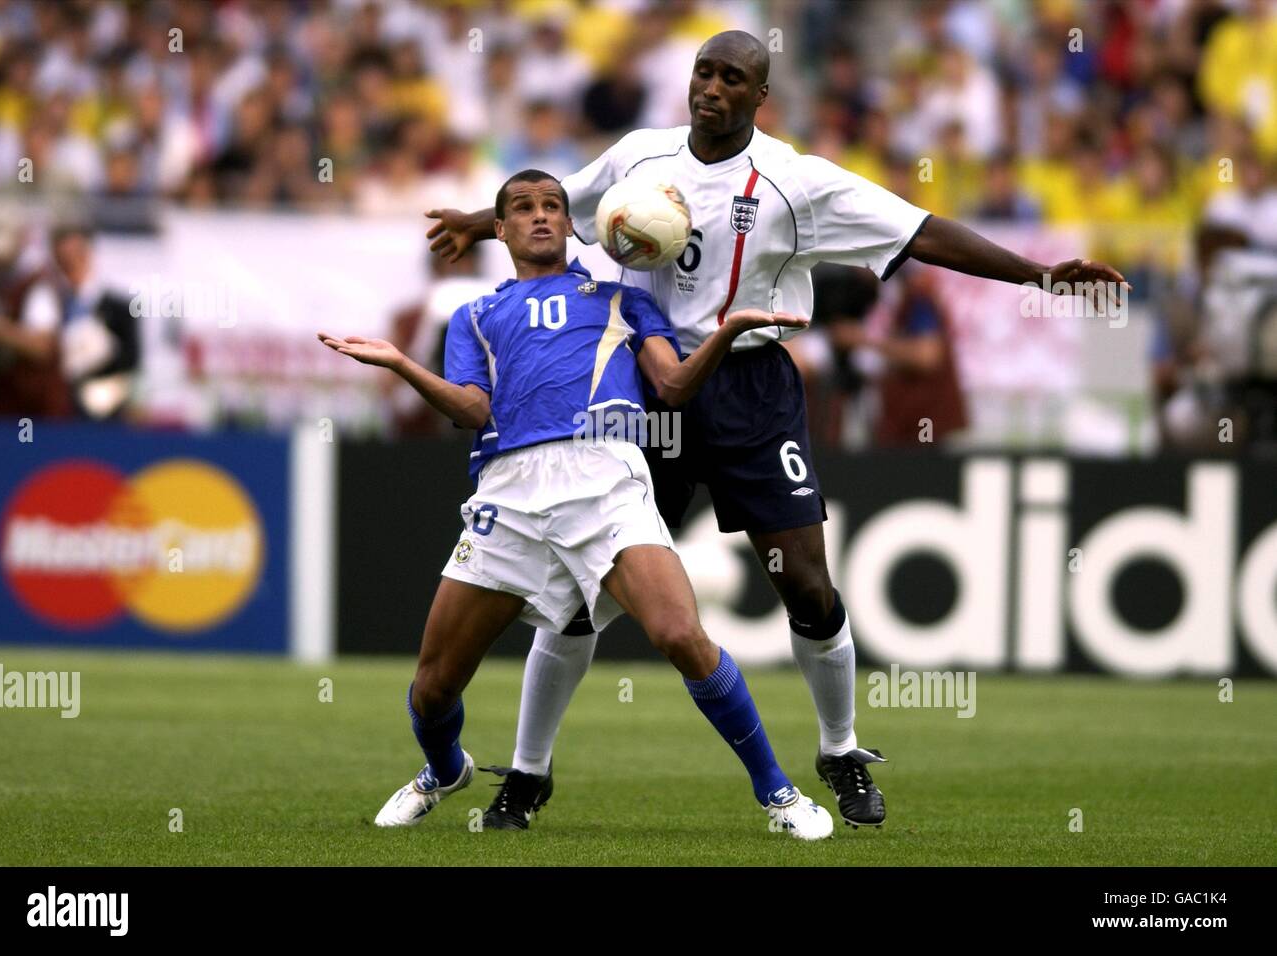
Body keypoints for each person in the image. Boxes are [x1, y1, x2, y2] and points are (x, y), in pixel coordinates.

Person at [425, 31, 1126, 831]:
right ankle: (527, 775)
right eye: (704, 72)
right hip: (645, 388)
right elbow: (554, 206)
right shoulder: (639, 160)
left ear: (760, 97)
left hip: (752, 391)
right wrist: (476, 224)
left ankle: (840, 748)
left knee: (806, 583)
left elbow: (921, 232)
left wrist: (1039, 274)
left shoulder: (796, 182)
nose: (712, 89)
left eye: (732, 79)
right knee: (580, 598)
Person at [319, 168, 831, 839]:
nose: (540, 217)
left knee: (681, 634)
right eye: (523, 208)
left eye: (553, 207)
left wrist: (726, 334)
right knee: (433, 687)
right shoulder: (475, 315)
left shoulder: (621, 300)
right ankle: (445, 770)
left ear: (571, 224)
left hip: (605, 478)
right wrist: (401, 366)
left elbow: (673, 388)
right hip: (509, 493)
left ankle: (781, 794)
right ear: (497, 228)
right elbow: (472, 408)